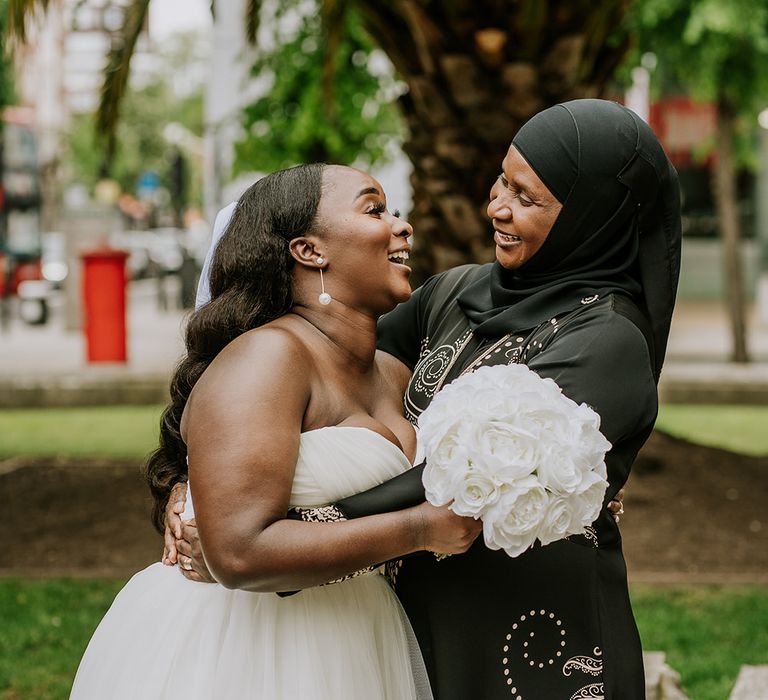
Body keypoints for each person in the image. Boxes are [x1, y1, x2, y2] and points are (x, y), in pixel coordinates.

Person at [172, 99, 681, 700]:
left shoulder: (607, 339)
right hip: (406, 621)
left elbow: (466, 480)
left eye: (527, 198)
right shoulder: (455, 293)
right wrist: (194, 487)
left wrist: (275, 539)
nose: (497, 205)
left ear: (591, 218)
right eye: (502, 179)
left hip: (532, 626)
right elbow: (303, 356)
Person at [70, 163, 483, 699]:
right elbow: (238, 552)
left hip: (361, 630)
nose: (401, 226)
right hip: (246, 644)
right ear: (309, 250)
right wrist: (419, 531)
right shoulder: (268, 358)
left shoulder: (393, 373)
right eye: (375, 209)